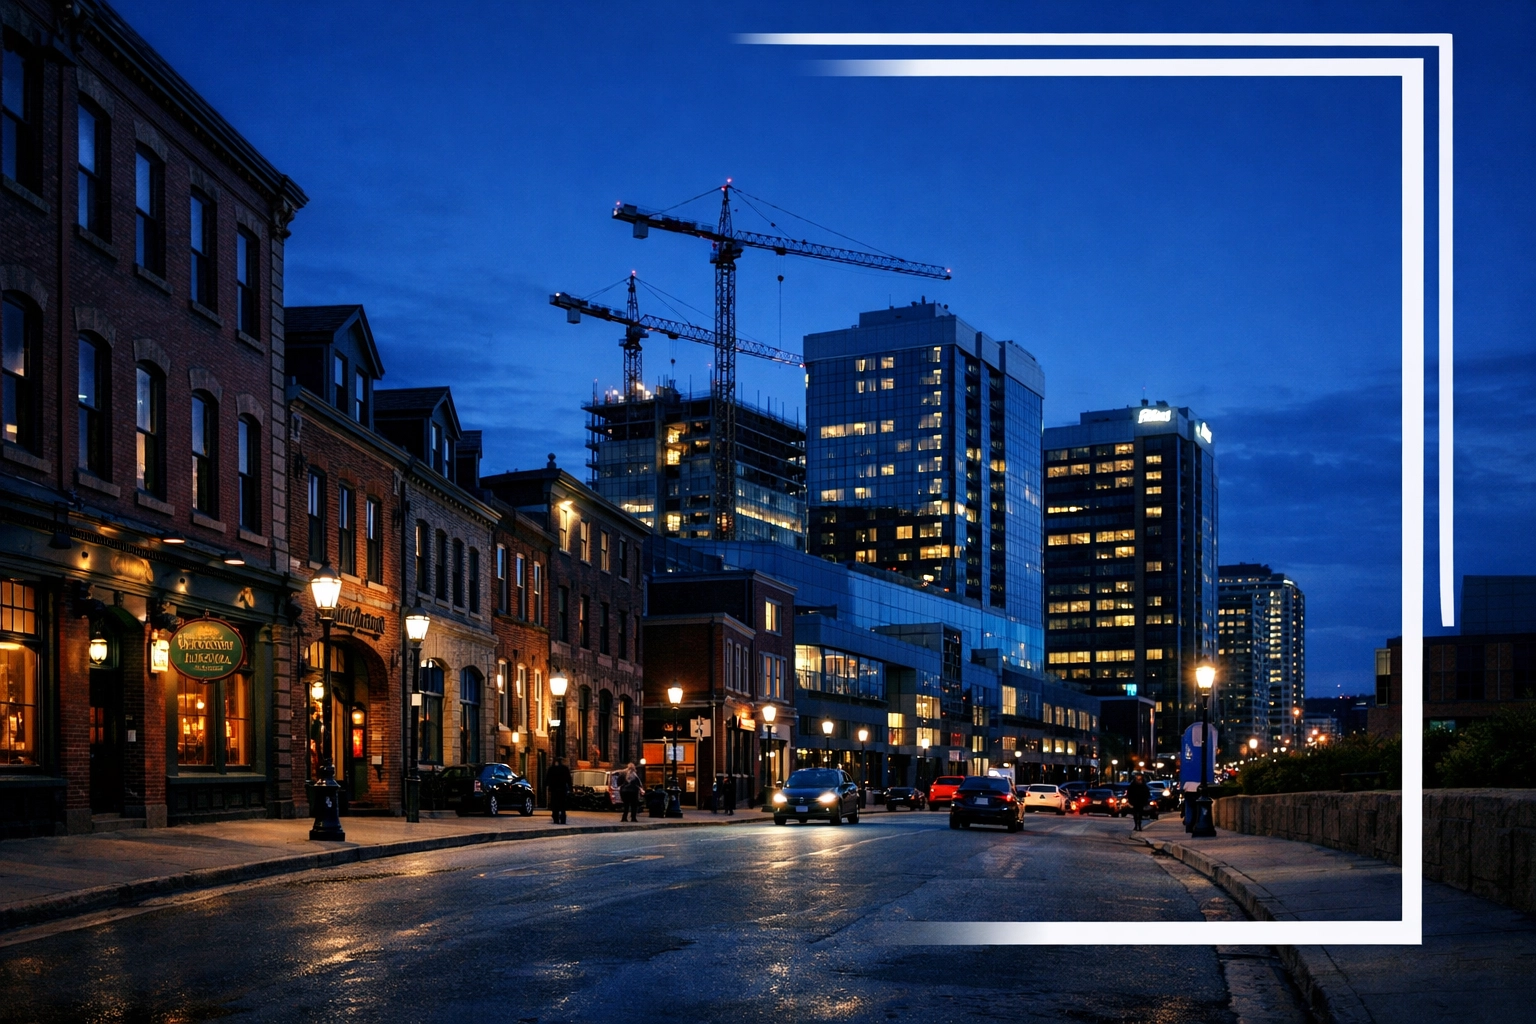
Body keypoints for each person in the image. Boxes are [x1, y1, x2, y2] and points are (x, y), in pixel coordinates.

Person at [546, 756, 572, 824]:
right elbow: (569, 779)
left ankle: (556, 818)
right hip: (562, 789)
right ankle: (562, 819)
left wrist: (548, 785)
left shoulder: (552, 769)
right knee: (562, 805)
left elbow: (547, 779)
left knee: (555, 805)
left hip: (554, 789)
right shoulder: (565, 769)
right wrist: (570, 788)